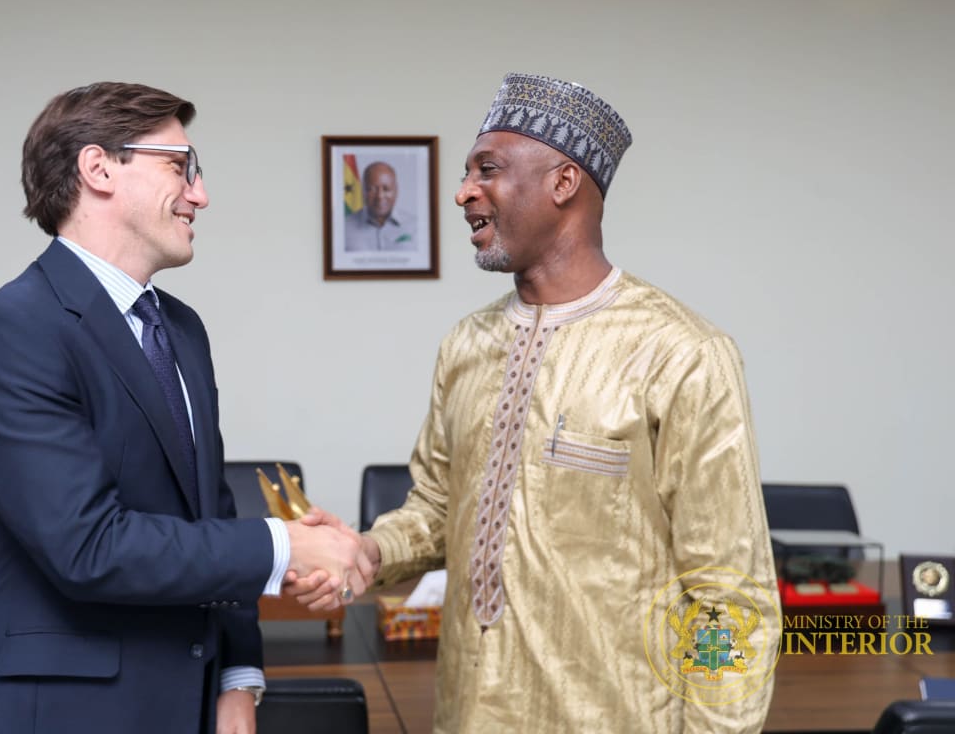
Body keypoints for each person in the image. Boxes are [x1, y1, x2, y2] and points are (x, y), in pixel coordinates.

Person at [293, 73, 780, 732]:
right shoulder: (466, 344)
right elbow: (439, 508)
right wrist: (368, 553)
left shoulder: (681, 353)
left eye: (486, 170)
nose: (463, 192)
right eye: (467, 174)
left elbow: (728, 596)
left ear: (562, 184)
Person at [0, 81, 369, 734]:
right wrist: (285, 546)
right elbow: (88, 546)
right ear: (98, 168)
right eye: (181, 166)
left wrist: (237, 673)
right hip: (66, 712)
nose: (200, 193)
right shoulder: (11, 329)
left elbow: (209, 512)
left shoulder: (181, 327)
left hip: (194, 699)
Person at [344, 161, 415, 251]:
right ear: (363, 191)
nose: (380, 196)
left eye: (386, 189)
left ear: (396, 190)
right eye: (372, 189)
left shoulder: (417, 227)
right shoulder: (344, 228)